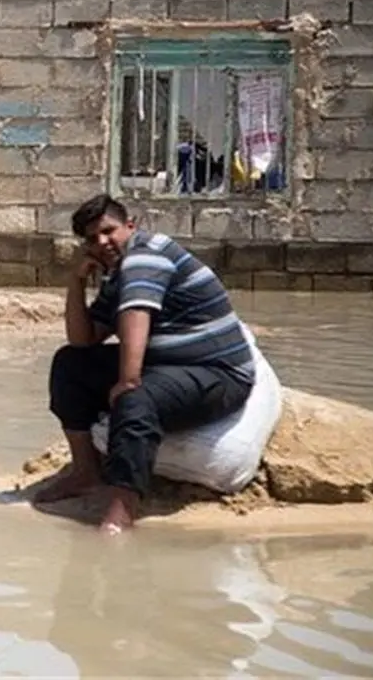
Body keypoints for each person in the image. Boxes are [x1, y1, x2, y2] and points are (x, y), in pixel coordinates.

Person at [38, 194, 254, 534]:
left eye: (109, 231)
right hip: (165, 365)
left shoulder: (145, 256)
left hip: (217, 373)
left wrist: (129, 379)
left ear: (130, 226)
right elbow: (83, 340)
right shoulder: (117, 273)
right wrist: (76, 281)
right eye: (92, 239)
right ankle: (85, 472)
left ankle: (122, 508)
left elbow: (136, 312)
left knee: (135, 398)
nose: (102, 243)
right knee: (70, 364)